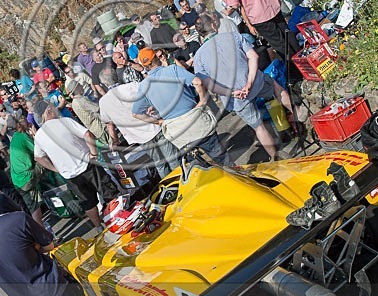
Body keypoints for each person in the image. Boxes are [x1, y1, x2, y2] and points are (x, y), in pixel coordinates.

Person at [193, 13, 298, 160]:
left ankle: (276, 157)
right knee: (276, 88)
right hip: (254, 82)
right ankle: (296, 118)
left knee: (258, 127)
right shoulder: (233, 36)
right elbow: (254, 56)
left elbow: (208, 84)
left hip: (236, 97)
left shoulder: (198, 57)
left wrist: (231, 93)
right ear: (212, 25)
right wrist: (249, 82)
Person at [131, 48, 230, 164]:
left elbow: (136, 114)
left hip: (178, 133)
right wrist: (202, 100)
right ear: (156, 58)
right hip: (196, 123)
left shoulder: (144, 86)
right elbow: (198, 82)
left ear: (144, 66)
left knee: (197, 168)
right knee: (223, 161)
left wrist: (159, 121)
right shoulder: (173, 69)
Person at [33, 101, 118, 229]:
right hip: (87, 164)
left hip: (70, 175)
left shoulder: (39, 136)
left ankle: (99, 227)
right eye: (53, 107)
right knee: (108, 192)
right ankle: (118, 219)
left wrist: (56, 169)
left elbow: (38, 157)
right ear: (48, 111)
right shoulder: (64, 122)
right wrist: (94, 153)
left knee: (88, 203)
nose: (56, 109)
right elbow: (87, 134)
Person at [98, 69, 181, 178]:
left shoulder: (103, 102)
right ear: (116, 77)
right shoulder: (132, 86)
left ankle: (171, 185)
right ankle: (183, 181)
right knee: (173, 158)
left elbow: (109, 124)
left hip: (138, 136)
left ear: (104, 83)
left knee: (160, 164)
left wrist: (115, 140)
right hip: (154, 125)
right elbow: (151, 95)